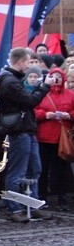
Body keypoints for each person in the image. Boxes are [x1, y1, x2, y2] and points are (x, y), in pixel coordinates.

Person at [0, 47, 56, 222]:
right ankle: (14, 209)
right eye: (28, 62)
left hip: (27, 129)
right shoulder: (10, 81)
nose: (29, 66)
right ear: (20, 62)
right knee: (17, 172)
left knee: (34, 169)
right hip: (19, 131)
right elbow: (30, 101)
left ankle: (33, 205)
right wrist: (45, 87)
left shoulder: (13, 79)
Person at [34, 67, 74, 209]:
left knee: (62, 169)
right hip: (44, 137)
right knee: (43, 169)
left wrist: (69, 115)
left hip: (62, 138)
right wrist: (45, 115)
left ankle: (62, 197)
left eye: (58, 76)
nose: (56, 79)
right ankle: (42, 196)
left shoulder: (70, 95)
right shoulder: (42, 94)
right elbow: (33, 110)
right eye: (53, 76)